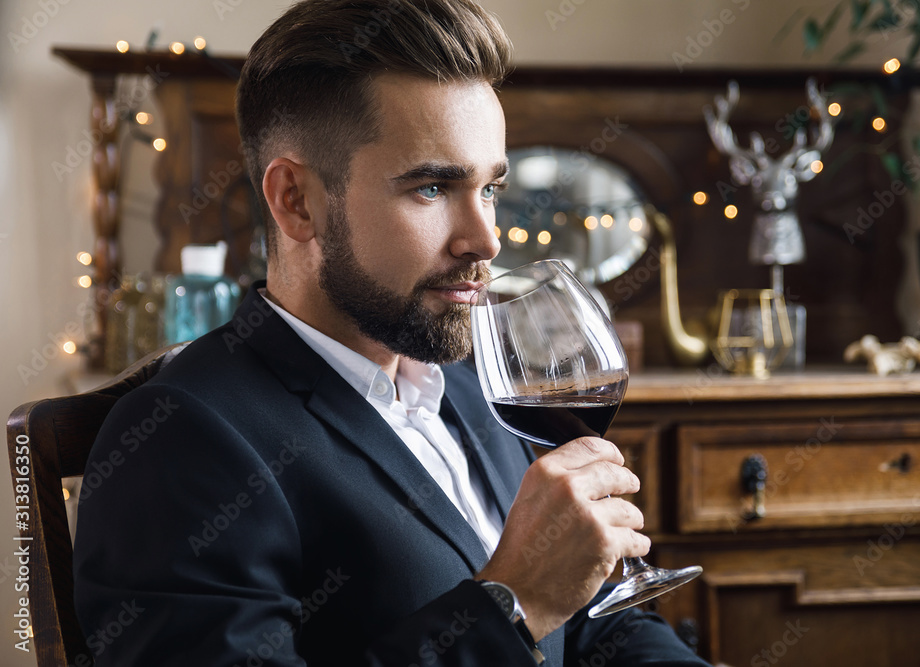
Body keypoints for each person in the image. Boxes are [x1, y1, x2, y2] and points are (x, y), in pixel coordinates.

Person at [73, 1, 711, 665]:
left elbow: (600, 629)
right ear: (296, 199)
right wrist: (515, 602)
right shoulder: (181, 437)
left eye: (490, 188)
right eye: (433, 187)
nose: (485, 239)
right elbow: (539, 605)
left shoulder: (475, 385)